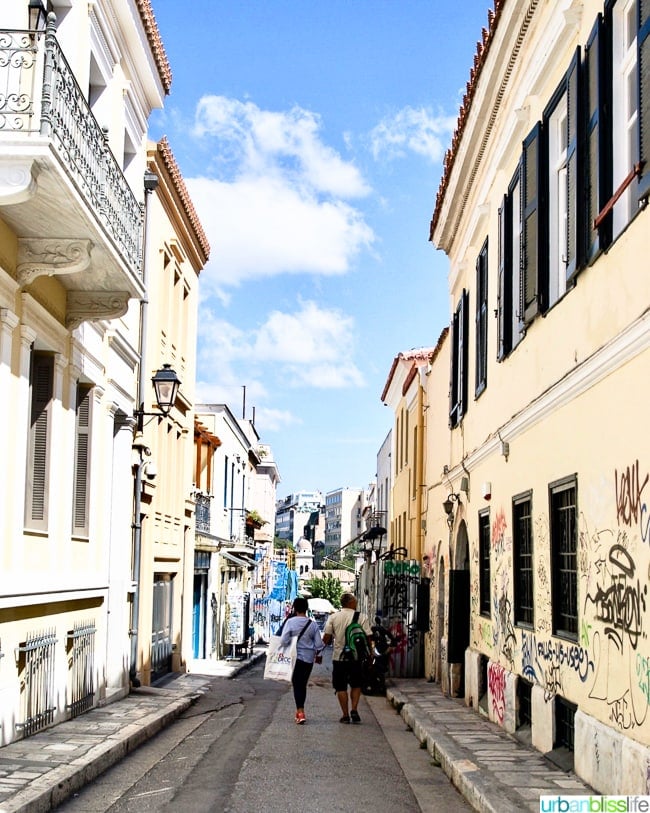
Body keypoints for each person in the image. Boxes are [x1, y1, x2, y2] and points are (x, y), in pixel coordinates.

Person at [322, 592, 374, 724]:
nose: (356, 603)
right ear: (351, 603)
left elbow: (326, 639)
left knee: (341, 687)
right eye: (355, 601)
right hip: (356, 658)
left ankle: (345, 715)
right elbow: (368, 637)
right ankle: (354, 709)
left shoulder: (333, 617)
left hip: (339, 658)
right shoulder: (361, 617)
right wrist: (370, 653)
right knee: (356, 684)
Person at [279, 596, 324, 725]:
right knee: (302, 684)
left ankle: (300, 711)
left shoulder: (290, 622)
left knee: (296, 684)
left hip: (294, 658)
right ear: (306, 609)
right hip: (308, 659)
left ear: (295, 608)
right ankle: (300, 710)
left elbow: (283, 641)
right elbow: (319, 645)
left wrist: (291, 641)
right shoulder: (313, 624)